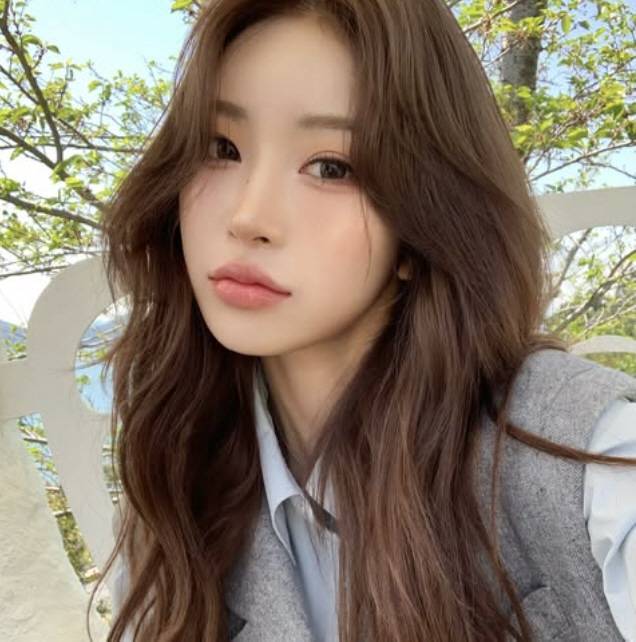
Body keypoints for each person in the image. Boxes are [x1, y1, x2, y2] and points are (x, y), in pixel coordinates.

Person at [90, 1, 636, 641]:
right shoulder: (177, 469)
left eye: (331, 167)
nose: (248, 216)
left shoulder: (590, 455)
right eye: (221, 148)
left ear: (422, 218)